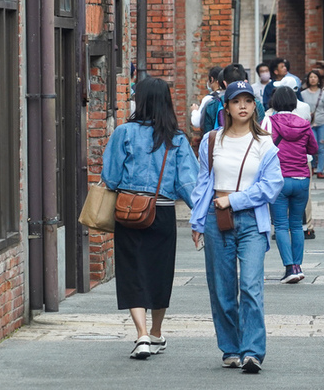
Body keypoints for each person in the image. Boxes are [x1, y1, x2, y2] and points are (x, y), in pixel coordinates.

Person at [101, 77, 200, 360]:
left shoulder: (124, 132)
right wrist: (199, 217)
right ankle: (156, 332)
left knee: (132, 271)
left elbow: (110, 177)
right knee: (160, 273)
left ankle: (141, 335)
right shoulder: (176, 138)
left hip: (128, 209)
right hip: (162, 211)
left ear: (140, 101)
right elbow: (188, 183)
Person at [190, 81, 284, 373]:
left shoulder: (265, 143)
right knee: (221, 287)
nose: (242, 106)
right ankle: (230, 347)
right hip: (216, 219)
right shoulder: (211, 140)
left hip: (251, 220)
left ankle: (253, 351)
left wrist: (236, 200)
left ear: (255, 106)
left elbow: (272, 187)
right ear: (227, 107)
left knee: (251, 285)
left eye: (248, 100)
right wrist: (197, 218)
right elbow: (203, 182)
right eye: (236, 101)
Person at [264, 86, 318, 283]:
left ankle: (289, 268)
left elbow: (262, 149)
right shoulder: (303, 123)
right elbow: (313, 148)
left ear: (275, 102)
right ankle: (298, 266)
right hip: (302, 179)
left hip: (279, 180)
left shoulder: (269, 122)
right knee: (297, 225)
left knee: (280, 225)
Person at [202, 64, 265, 132]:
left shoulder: (213, 105)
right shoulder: (257, 104)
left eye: (248, 101)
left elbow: (208, 134)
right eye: (235, 102)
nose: (242, 106)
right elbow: (261, 127)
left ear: (224, 83)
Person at [301, 70, 324, 179]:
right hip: (308, 124)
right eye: (311, 77)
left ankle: (320, 170)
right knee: (311, 146)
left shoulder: (323, 93)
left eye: (315, 77)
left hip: (321, 123)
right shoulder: (303, 94)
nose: (313, 79)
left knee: (321, 147)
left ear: (319, 79)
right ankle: (311, 167)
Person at [191, 66, 223, 130]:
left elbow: (197, 122)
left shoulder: (208, 99)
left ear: (212, 79)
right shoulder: (227, 96)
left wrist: (194, 110)